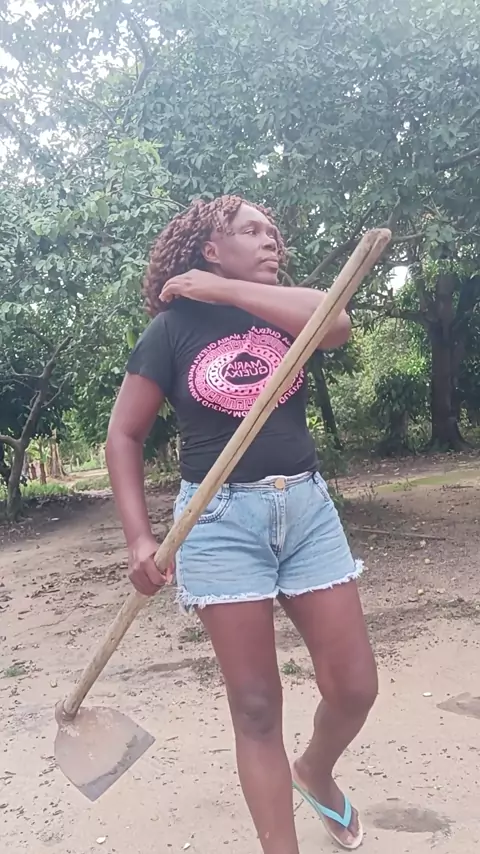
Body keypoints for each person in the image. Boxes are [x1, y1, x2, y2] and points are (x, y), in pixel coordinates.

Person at [106, 195, 378, 853]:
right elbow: (123, 434)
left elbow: (336, 321)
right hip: (218, 521)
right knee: (255, 706)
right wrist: (139, 537)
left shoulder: (284, 312)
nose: (270, 240)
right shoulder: (171, 332)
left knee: (354, 688)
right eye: (251, 230)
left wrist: (226, 289)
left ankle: (314, 769)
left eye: (273, 232)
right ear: (210, 248)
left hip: (307, 513)